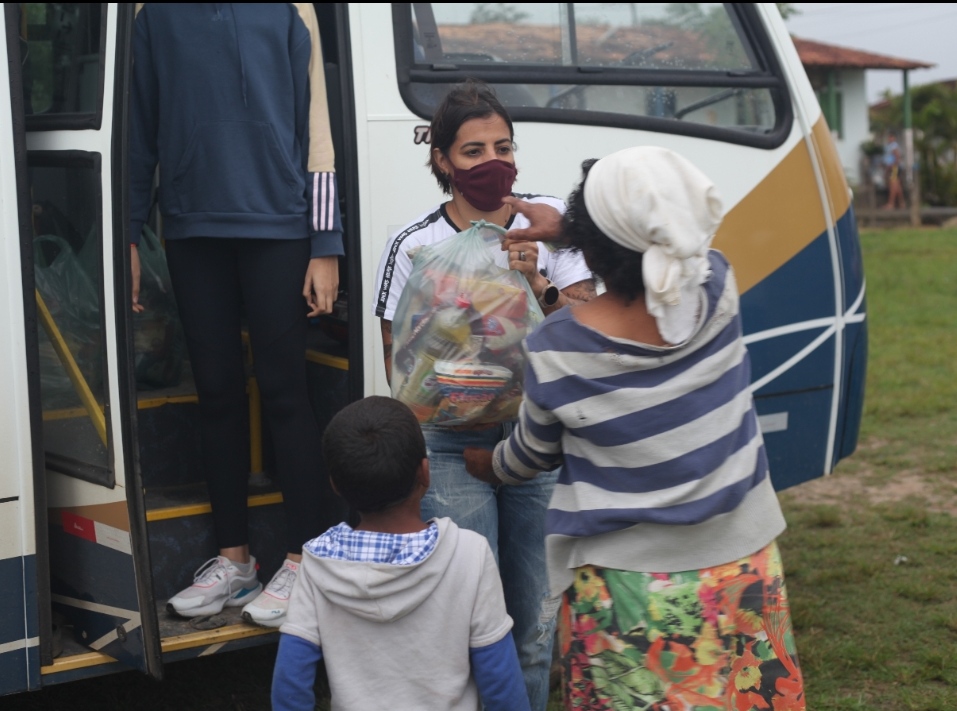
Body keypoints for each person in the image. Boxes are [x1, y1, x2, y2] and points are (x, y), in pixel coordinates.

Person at [466, 147, 806, 710]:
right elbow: (674, 248)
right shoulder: (717, 288)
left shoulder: (559, 348)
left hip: (630, 588)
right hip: (741, 566)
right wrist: (581, 232)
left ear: (591, 245)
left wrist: (487, 464)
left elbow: (529, 457)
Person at [371, 80, 595, 710]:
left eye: (503, 146)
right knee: (469, 622)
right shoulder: (414, 245)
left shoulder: (552, 225)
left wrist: (537, 275)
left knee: (535, 622)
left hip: (538, 440)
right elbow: (400, 364)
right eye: (473, 151)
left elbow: (593, 331)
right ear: (442, 160)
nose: (492, 162)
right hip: (448, 448)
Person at [129, 4, 343, 627]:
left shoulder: (291, 7)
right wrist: (128, 233)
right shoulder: (151, 11)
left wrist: (324, 242)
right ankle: (235, 561)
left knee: (284, 392)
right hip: (193, 225)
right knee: (216, 393)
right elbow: (138, 127)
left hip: (279, 225)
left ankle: (307, 562)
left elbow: (318, 127)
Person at [271, 396, 530, 711]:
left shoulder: (318, 562)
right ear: (425, 472)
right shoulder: (468, 554)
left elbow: (290, 683)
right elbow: (502, 686)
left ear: (335, 485)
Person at [883, 132, 906, 210]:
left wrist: (892, 166)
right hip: (893, 167)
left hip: (894, 167)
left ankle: (891, 204)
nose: (890, 139)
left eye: (891, 137)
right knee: (897, 186)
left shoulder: (893, 146)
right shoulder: (889, 146)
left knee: (893, 186)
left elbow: (897, 156)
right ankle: (902, 203)